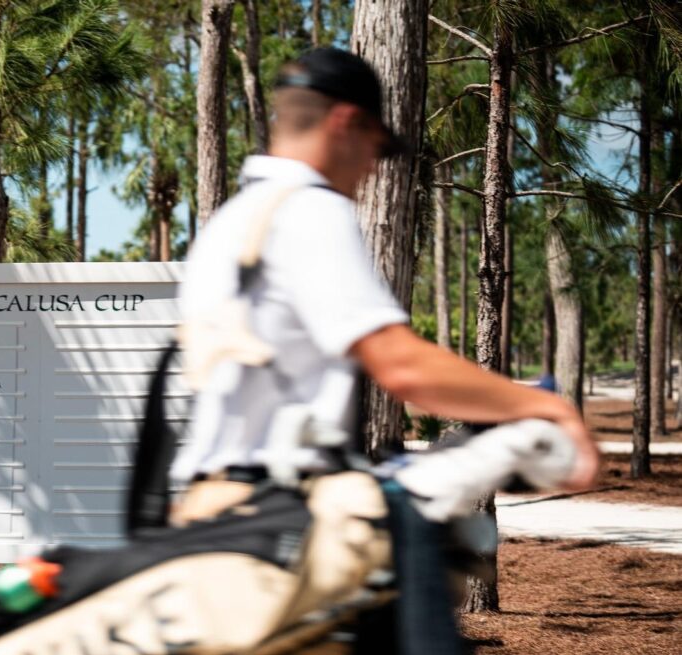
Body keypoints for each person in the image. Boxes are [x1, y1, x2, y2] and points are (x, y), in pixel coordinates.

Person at [171, 47, 599, 511]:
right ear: (346, 123)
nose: (374, 168)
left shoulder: (233, 223)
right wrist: (544, 406)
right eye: (376, 148)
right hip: (277, 523)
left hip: (215, 511)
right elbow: (402, 367)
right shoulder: (308, 209)